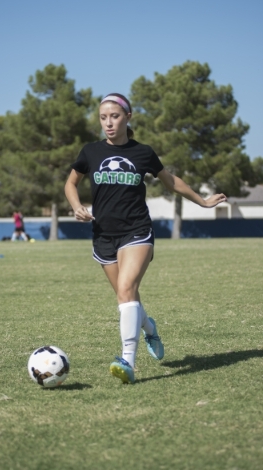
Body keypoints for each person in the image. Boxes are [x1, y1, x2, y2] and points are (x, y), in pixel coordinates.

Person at [65, 93, 227, 384]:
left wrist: (202, 201)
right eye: (103, 117)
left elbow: (171, 181)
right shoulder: (90, 151)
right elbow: (71, 183)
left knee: (127, 288)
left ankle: (127, 360)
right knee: (126, 297)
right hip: (103, 235)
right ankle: (149, 328)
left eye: (114, 116)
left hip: (137, 230)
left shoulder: (144, 153)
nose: (108, 123)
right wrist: (76, 206)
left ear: (128, 117)